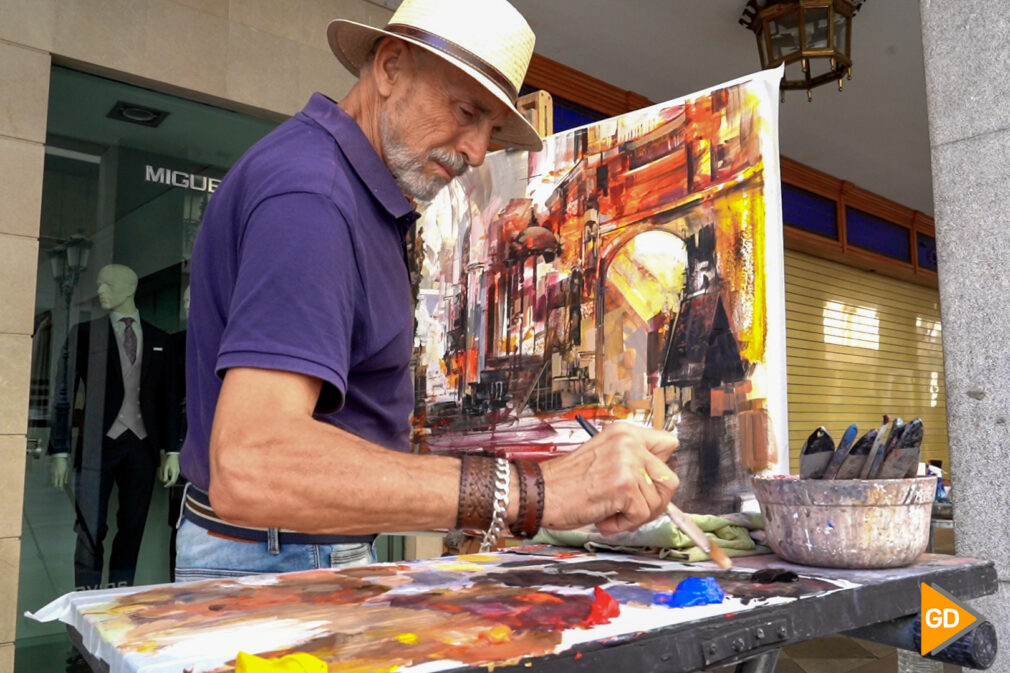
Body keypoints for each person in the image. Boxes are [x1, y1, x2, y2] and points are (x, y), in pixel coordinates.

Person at [176, 0, 680, 580]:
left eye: (491, 130)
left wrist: (556, 475)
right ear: (390, 67)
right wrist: (531, 492)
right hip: (277, 558)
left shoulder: (346, 187)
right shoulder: (313, 197)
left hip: (287, 551)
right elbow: (253, 465)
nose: (474, 150)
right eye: (466, 111)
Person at [49, 263, 178, 589]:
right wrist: (60, 450)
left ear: (129, 289)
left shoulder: (161, 340)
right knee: (90, 526)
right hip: (97, 445)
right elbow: (63, 394)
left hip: (143, 447)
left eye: (107, 285)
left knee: (133, 524)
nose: (101, 291)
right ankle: (86, 592)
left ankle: (121, 591)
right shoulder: (84, 334)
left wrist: (172, 450)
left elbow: (168, 400)